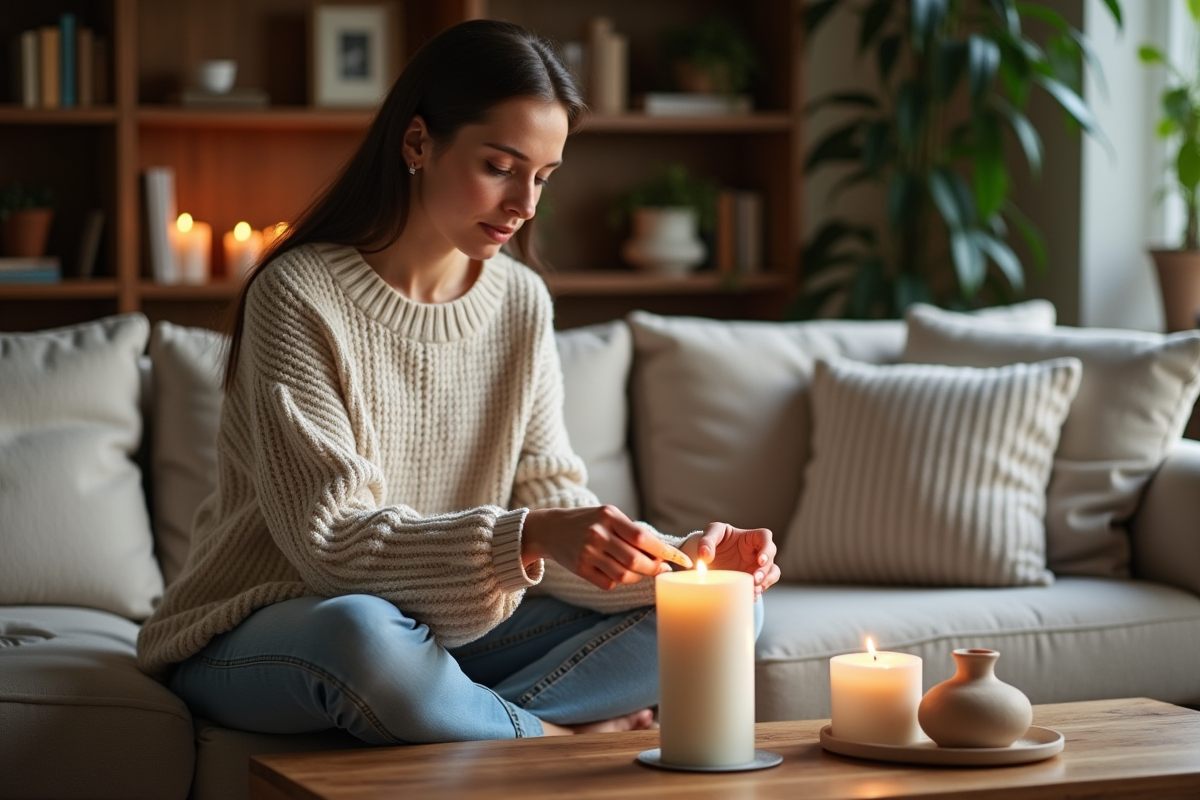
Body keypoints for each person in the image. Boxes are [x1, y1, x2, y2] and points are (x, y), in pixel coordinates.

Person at [136, 19, 781, 744]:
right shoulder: (297, 294)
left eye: (542, 176)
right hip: (273, 624)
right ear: (417, 143)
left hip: (445, 631)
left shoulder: (520, 300)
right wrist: (529, 536)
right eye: (501, 167)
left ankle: (466, 718)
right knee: (365, 635)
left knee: (725, 608)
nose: (525, 205)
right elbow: (332, 545)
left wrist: (681, 558)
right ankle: (551, 742)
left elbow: (549, 498)